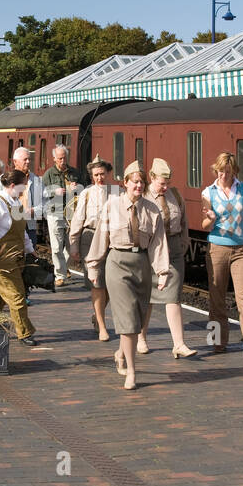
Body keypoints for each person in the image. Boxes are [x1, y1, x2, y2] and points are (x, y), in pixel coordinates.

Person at [86, 162, 169, 389]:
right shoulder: (112, 206)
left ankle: (121, 353)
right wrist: (93, 267)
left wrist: (162, 272)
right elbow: (101, 237)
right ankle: (132, 372)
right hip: (117, 263)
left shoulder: (152, 210)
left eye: (142, 182)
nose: (139, 186)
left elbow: (158, 243)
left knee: (139, 319)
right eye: (135, 182)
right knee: (128, 319)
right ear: (125, 183)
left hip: (141, 264)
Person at [201, 152, 243, 358]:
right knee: (216, 296)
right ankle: (217, 342)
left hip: (240, 250)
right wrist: (210, 219)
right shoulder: (207, 192)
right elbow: (204, 225)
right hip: (216, 249)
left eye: (227, 172)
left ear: (234, 171)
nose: (223, 176)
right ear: (215, 171)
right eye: (220, 172)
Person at [138, 158, 197, 359]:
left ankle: (179, 344)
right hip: (152, 251)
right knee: (148, 298)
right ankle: (141, 338)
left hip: (174, 250)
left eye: (168, 183)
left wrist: (184, 242)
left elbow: (184, 221)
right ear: (152, 177)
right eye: (162, 183)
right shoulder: (143, 197)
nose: (165, 187)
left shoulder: (175, 195)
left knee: (174, 297)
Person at [0, 170, 38, 346]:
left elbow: (22, 232)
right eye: (23, 186)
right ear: (13, 186)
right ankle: (24, 332)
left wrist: (30, 249)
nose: (24, 190)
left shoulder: (14, 203)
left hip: (15, 258)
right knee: (17, 295)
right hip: (1, 260)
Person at [69, 157, 121, 341]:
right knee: (97, 283)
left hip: (111, 240)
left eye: (102, 174)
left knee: (111, 285)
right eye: (96, 175)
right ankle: (102, 325)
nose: (99, 178)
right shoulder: (87, 194)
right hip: (90, 240)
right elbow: (77, 220)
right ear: (91, 176)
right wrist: (74, 246)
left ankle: (97, 315)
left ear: (108, 174)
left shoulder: (117, 193)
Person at [42, 145, 82, 287]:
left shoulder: (75, 172)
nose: (62, 160)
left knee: (72, 247)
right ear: (54, 159)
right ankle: (60, 276)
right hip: (55, 212)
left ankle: (63, 268)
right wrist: (54, 191)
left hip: (71, 213)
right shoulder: (49, 174)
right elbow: (41, 192)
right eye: (59, 158)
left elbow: (84, 189)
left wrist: (78, 188)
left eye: (64, 157)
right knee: (57, 247)